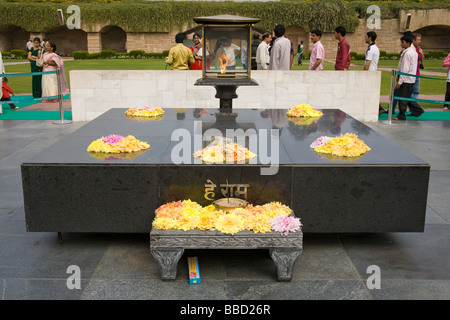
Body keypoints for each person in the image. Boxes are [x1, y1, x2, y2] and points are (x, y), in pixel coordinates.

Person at [393, 35, 424, 120]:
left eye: (402, 42)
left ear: (408, 43)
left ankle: (402, 114)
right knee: (407, 96)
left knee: (402, 97)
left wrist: (400, 82)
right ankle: (418, 110)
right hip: (411, 78)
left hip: (406, 79)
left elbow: (405, 68)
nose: (401, 44)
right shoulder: (414, 52)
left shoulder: (407, 53)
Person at [363, 31, 386, 115]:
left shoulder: (371, 49)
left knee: (369, 92)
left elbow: (368, 63)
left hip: (370, 73)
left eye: (366, 36)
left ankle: (377, 108)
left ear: (370, 38)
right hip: (373, 72)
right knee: (371, 92)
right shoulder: (375, 48)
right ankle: (378, 108)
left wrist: (363, 73)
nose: (365, 38)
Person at [411, 33, 424, 101]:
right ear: (413, 40)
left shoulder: (418, 48)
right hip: (411, 73)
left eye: (420, 40)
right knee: (410, 92)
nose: (419, 41)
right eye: (418, 40)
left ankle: (415, 107)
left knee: (416, 92)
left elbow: (421, 58)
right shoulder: (410, 49)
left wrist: (421, 53)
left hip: (417, 73)